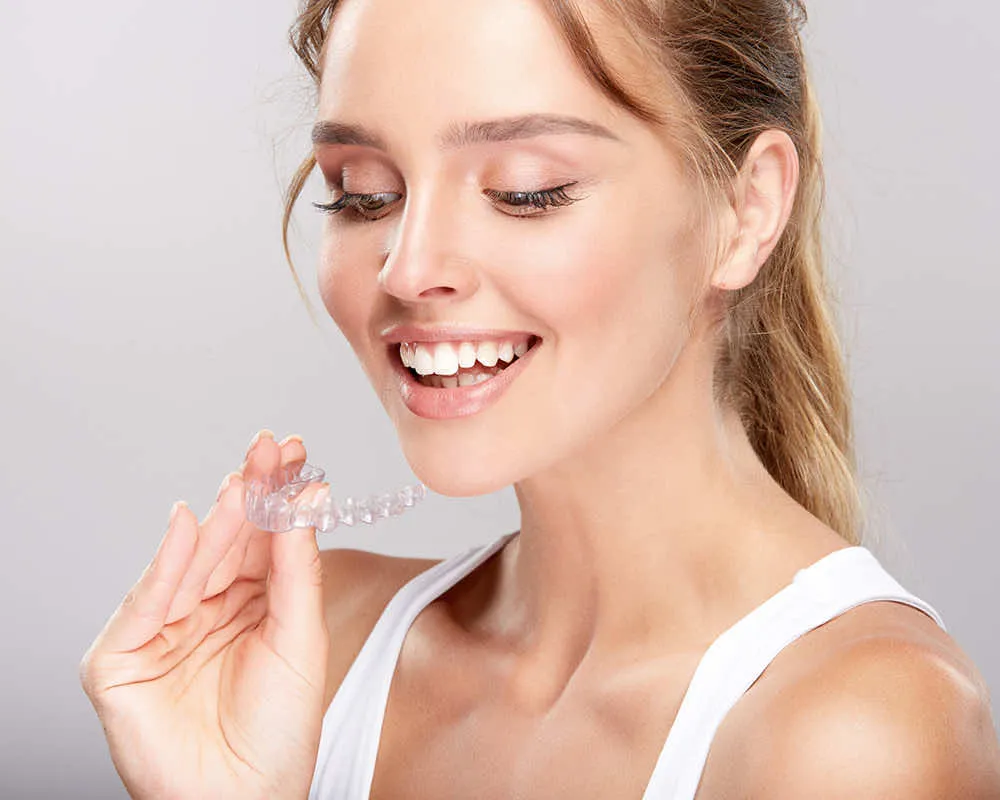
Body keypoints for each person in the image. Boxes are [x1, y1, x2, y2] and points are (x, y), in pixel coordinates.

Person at [80, 0, 1000, 797]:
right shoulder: (309, 654)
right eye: (362, 196)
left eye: (527, 191)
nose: (409, 267)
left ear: (745, 210)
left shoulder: (854, 736)